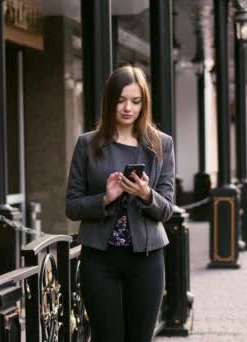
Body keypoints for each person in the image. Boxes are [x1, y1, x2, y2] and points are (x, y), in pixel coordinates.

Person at [65, 65, 175, 342]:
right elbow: (72, 206)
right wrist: (105, 198)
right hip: (99, 261)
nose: (128, 108)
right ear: (110, 100)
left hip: (147, 260)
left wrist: (145, 193)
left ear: (144, 103)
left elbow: (167, 209)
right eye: (121, 100)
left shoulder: (160, 144)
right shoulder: (87, 144)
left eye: (136, 101)